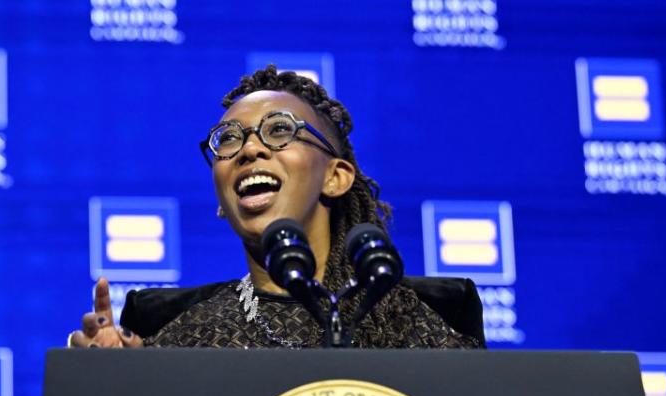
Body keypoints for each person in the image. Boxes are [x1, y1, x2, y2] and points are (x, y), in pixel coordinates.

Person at [68, 66, 484, 350]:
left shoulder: (415, 324)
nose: (249, 148)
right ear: (221, 200)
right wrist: (114, 389)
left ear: (336, 177)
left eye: (280, 130)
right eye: (228, 139)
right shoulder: (178, 340)